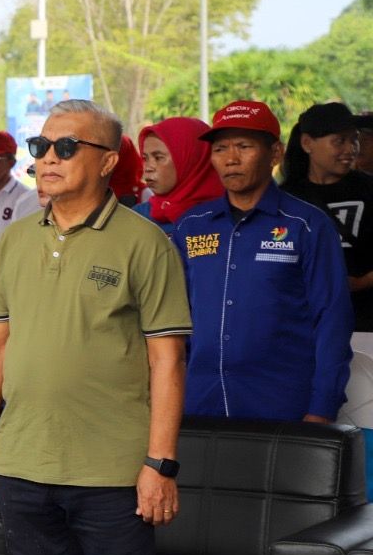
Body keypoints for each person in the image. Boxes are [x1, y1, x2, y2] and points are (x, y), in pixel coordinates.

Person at [0, 99, 189, 555]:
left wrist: (160, 465)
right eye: (41, 146)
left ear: (108, 161)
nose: (49, 157)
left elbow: (168, 358)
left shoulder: (145, 243)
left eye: (66, 147)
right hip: (23, 465)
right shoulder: (16, 239)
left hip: (112, 471)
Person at [176, 100, 352, 421]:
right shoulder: (191, 226)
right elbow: (174, 319)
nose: (231, 159)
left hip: (282, 405)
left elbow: (332, 320)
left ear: (275, 154)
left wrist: (322, 407)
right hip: (200, 402)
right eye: (220, 149)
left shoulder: (306, 225)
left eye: (244, 147)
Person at [281, 102, 373, 331]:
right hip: (303, 324)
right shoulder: (285, 198)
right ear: (307, 143)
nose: (351, 149)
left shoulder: (369, 189)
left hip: (365, 322)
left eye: (354, 139)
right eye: (339, 141)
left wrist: (360, 282)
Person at [135, 117, 224, 235]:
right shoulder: (138, 217)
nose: (148, 168)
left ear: (191, 159)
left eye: (158, 158)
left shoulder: (228, 216)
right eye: (145, 158)